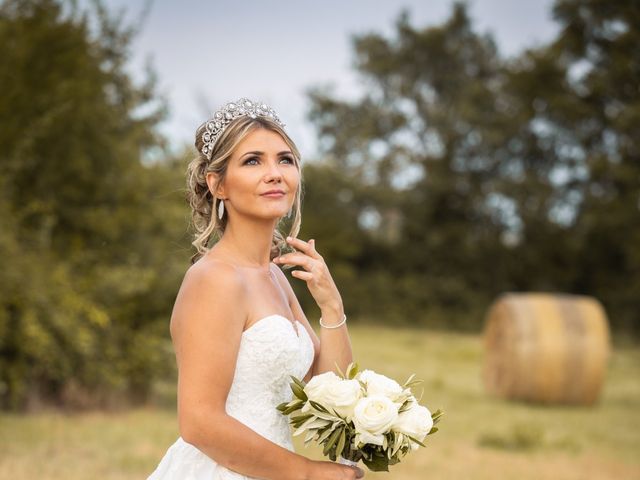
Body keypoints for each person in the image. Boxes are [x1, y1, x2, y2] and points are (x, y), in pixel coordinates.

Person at [147, 98, 364, 480]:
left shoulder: (276, 276)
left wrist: (332, 308)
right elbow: (198, 422)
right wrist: (309, 473)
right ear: (217, 184)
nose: (275, 173)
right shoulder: (214, 278)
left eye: (285, 160)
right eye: (252, 161)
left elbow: (327, 392)